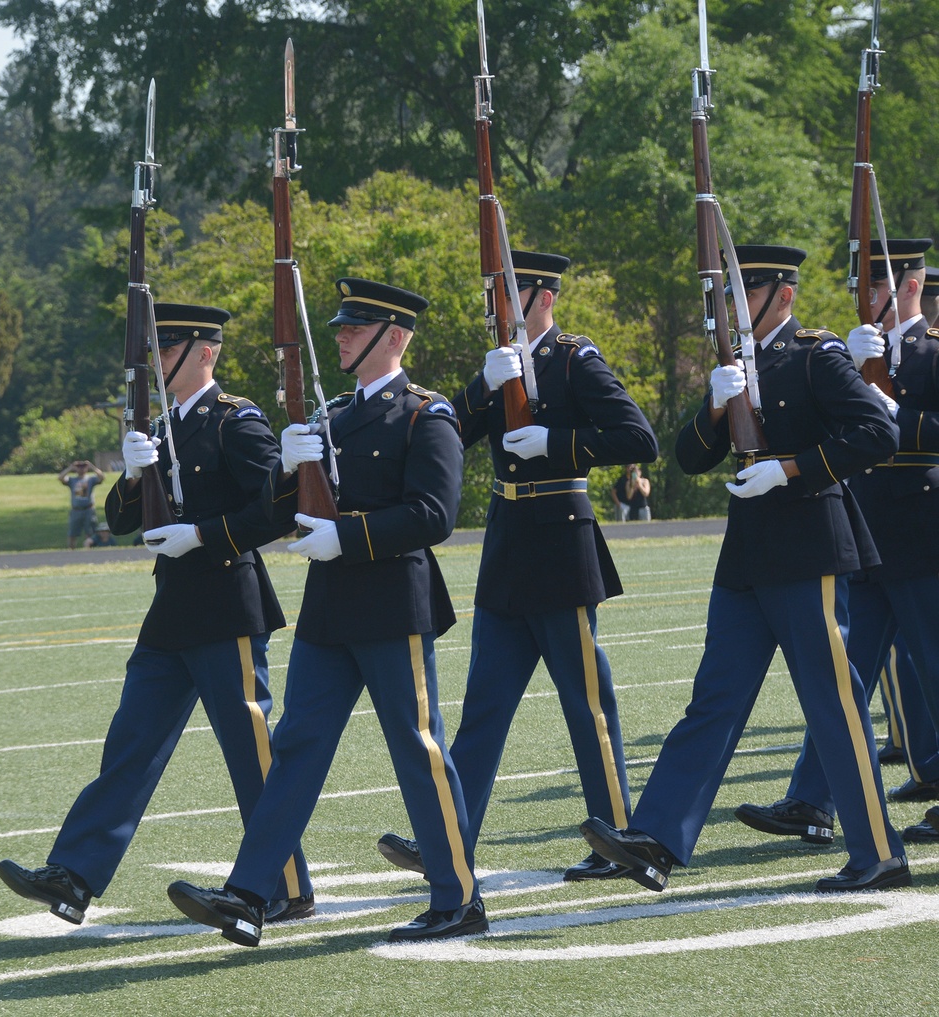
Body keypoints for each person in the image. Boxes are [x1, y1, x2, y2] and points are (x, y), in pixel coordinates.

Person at [166, 279, 487, 946]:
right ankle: (252, 893)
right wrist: (286, 469)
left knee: (419, 750)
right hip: (330, 609)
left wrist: (349, 535)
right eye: (340, 325)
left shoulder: (427, 415)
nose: (340, 334)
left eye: (356, 326)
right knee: (297, 746)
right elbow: (283, 510)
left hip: (394, 601)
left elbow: (435, 514)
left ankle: (459, 897)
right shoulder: (333, 416)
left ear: (393, 338)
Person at [581, 244, 910, 893]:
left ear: (780, 296)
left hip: (810, 547)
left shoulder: (817, 356)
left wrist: (789, 468)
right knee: (716, 698)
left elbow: (877, 432)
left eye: (743, 294)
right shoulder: (736, 366)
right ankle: (659, 837)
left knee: (832, 704)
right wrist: (711, 406)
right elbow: (687, 458)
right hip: (748, 556)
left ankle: (879, 852)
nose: (732, 307)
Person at [0, 303, 312, 925]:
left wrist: (202, 535)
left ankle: (286, 886)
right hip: (171, 613)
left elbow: (278, 509)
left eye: (169, 351)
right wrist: (135, 475)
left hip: (226, 606)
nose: (159, 362)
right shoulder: (162, 428)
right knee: (130, 746)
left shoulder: (234, 422)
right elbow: (118, 521)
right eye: (157, 351)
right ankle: (75, 875)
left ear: (205, 353)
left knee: (251, 755)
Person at [375, 251, 659, 883]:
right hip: (508, 548)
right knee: (483, 708)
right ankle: (450, 840)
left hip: (562, 542)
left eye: (509, 296)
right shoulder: (499, 364)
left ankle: (617, 834)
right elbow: (443, 434)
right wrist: (481, 385)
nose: (497, 309)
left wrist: (560, 443)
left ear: (543, 299)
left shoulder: (574, 360)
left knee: (587, 703)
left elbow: (640, 438)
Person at [735, 239, 939, 848]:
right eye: (860, 286)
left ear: (909, 288)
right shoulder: (841, 352)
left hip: (924, 537)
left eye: (874, 287)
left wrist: (891, 410)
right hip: (869, 538)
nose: (863, 298)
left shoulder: (931, 352)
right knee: (845, 679)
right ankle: (811, 800)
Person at [59, 459, 104, 549]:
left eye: (83, 467)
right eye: (79, 467)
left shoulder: (90, 479)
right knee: (72, 533)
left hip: (88, 509)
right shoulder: (72, 480)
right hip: (76, 510)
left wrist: (91, 466)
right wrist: (71, 468)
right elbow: (61, 478)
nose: (81, 469)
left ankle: (89, 550)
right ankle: (71, 551)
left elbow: (101, 477)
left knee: (90, 532)